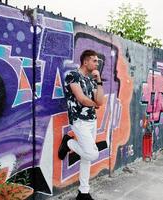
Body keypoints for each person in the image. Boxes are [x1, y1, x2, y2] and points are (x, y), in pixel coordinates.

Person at [58, 49, 104, 200]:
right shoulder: (73, 76)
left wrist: (98, 80)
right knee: (92, 154)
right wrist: (94, 104)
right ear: (86, 61)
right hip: (79, 121)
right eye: (94, 60)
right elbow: (82, 99)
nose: (97, 63)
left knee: (86, 158)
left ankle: (83, 192)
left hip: (92, 121)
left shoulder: (91, 80)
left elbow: (100, 100)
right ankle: (68, 142)